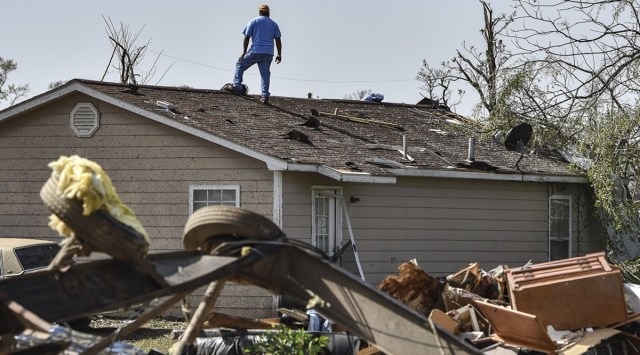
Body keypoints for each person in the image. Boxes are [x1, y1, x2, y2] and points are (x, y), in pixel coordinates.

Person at [228, 4, 282, 104]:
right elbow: (278, 39)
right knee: (265, 75)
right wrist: (279, 54)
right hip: (268, 53)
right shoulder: (274, 24)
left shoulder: (254, 21)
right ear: (268, 13)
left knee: (240, 64)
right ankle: (265, 96)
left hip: (255, 51)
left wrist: (244, 52)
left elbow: (247, 37)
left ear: (259, 12)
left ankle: (237, 86)